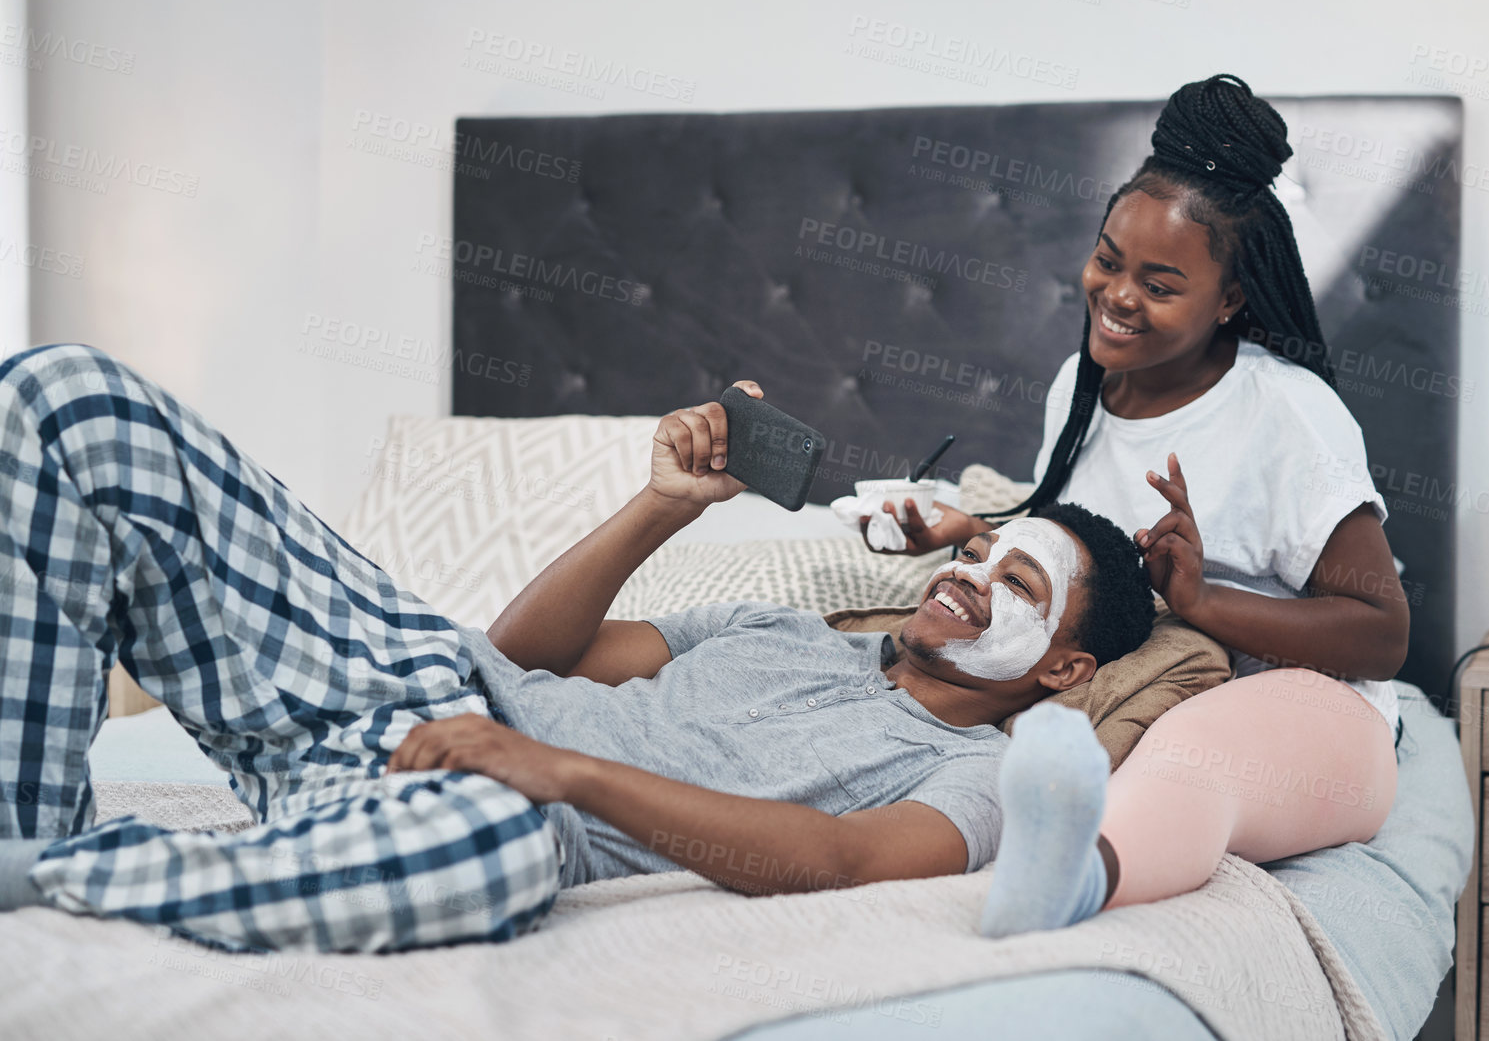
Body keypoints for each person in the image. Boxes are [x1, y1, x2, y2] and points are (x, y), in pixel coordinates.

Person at [0, 342, 1155, 952]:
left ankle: (48, 880)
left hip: (485, 809)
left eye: (1017, 582)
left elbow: (838, 862)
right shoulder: (779, 626)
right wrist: (666, 507)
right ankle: (27, 823)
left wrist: (565, 775)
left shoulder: (983, 778)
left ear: (1065, 668)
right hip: (399, 668)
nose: (969, 573)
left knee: (492, 854)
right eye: (977, 551)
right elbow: (519, 650)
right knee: (71, 399)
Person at [862, 73, 1409, 936]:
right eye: (1108, 260)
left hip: (1303, 703)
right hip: (1135, 677)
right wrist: (971, 533)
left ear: (1230, 299)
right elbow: (1078, 550)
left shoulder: (1285, 412)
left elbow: (1381, 635)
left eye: (1158, 285)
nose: (1116, 295)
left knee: (1186, 758)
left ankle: (1076, 878)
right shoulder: (1083, 387)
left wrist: (1201, 602)